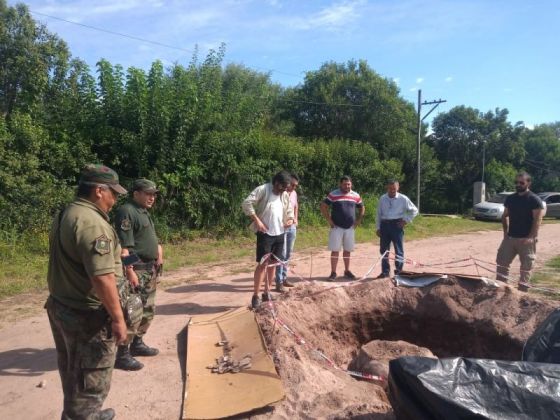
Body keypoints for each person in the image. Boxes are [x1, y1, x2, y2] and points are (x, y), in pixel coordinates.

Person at [45, 164, 128, 420]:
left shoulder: (67, 213)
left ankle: (77, 415)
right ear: (99, 191)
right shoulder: (92, 224)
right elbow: (102, 277)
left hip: (62, 305)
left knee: (73, 372)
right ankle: (86, 415)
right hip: (86, 315)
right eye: (113, 193)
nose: (114, 200)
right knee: (91, 379)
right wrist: (117, 318)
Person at [113, 179, 163, 370]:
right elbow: (125, 248)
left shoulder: (143, 212)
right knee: (132, 311)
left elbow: (148, 239)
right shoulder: (127, 211)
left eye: (154, 194)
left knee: (147, 310)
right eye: (148, 193)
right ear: (136, 193)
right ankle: (123, 354)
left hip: (149, 269)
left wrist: (159, 252)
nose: (152, 197)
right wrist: (130, 271)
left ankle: (138, 343)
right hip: (137, 270)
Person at [242, 171, 295, 309]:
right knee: (262, 264)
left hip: (280, 234)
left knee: (274, 264)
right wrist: (257, 221)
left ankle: (267, 292)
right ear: (276, 183)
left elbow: (289, 210)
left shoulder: (284, 194)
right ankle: (256, 296)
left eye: (286, 188)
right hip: (265, 234)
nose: (284, 190)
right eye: (282, 187)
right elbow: (247, 203)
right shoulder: (263, 190)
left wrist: (289, 219)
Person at [496, 172, 545, 291]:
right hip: (510, 239)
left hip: (526, 240)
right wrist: (505, 234)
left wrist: (531, 237)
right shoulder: (510, 198)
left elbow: (537, 220)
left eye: (521, 182)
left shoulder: (534, 200)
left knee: (525, 269)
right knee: (501, 264)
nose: (518, 184)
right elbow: (504, 216)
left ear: (528, 183)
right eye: (516, 182)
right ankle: (501, 290)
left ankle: (522, 295)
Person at [320, 175, 365, 281]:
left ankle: (347, 271)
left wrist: (358, 221)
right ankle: (333, 273)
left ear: (351, 184)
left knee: (347, 250)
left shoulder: (356, 195)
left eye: (349, 184)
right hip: (336, 227)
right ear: (340, 184)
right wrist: (329, 220)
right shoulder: (333, 194)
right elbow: (323, 206)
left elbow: (362, 207)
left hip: (350, 228)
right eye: (345, 184)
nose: (347, 186)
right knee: (335, 250)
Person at [375, 180, 418, 278]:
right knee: (384, 250)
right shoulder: (382, 198)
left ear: (398, 188)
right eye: (390, 188)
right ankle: (385, 272)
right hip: (384, 225)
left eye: (394, 188)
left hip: (397, 226)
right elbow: (378, 214)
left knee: (398, 250)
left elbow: (414, 210)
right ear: (387, 188)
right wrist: (378, 227)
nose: (392, 190)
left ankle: (399, 272)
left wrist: (406, 220)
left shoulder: (403, 198)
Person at [275, 174, 299, 292]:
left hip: (292, 227)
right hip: (281, 228)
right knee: (281, 254)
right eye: (292, 185)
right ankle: (278, 282)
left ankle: (284, 278)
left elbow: (295, 206)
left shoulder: (294, 193)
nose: (294, 187)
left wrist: (296, 218)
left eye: (296, 186)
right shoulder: (280, 194)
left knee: (288, 253)